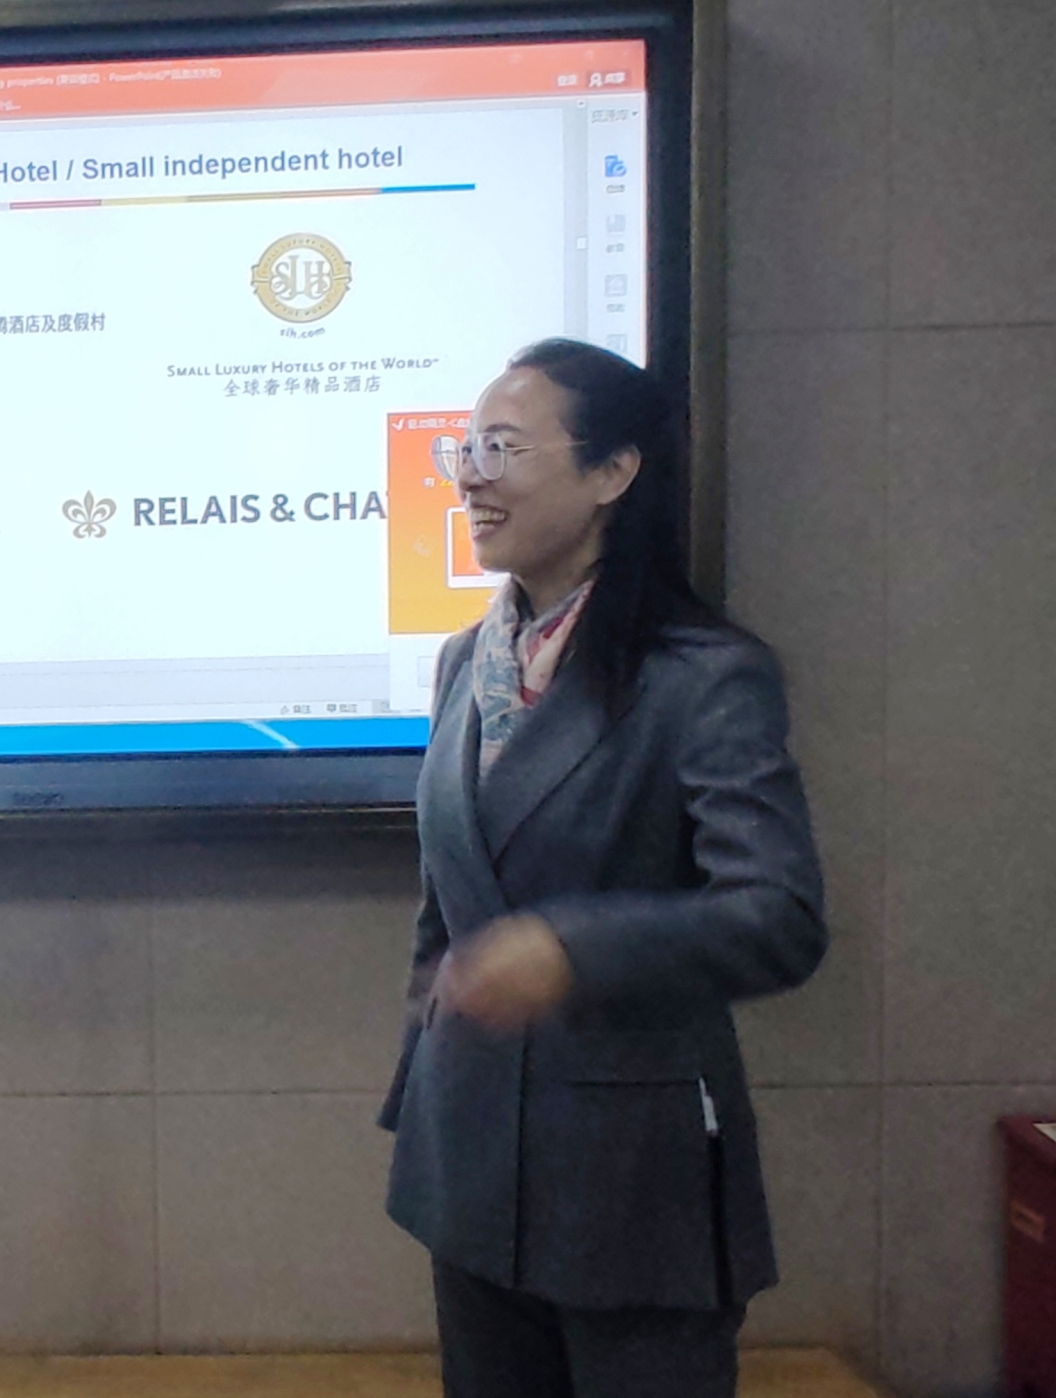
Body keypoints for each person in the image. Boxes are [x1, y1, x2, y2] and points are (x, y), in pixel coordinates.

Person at [378, 338, 827, 1398]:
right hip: (469, 1159)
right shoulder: (463, 662)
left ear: (612, 472)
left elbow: (777, 915)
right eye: (462, 449)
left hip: (631, 1181)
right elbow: (448, 903)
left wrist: (567, 950)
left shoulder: (703, 677)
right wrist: (420, 1073)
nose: (469, 475)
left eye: (501, 448)